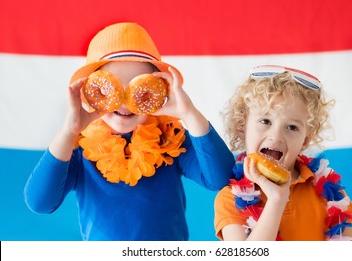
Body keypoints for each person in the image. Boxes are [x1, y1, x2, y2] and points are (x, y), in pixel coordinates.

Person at [24, 22, 234, 241]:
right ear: (88, 93)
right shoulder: (78, 150)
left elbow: (220, 178)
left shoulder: (171, 139)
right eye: (110, 89)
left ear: (160, 92)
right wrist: (69, 131)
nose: (124, 103)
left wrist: (190, 114)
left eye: (138, 91)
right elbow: (40, 202)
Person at [214, 65, 352, 241]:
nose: (276, 136)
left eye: (292, 127)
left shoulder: (330, 193)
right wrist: (277, 200)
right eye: (265, 121)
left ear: (305, 140)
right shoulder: (230, 198)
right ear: (242, 127)